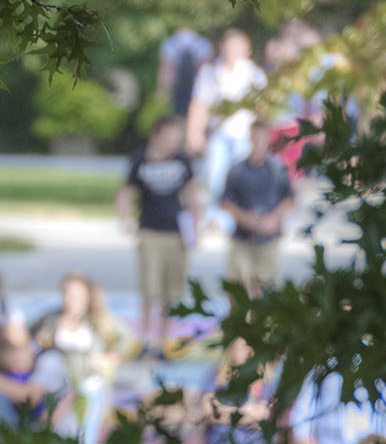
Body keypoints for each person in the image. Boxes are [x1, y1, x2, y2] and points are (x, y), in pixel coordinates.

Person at [38, 272, 132, 444]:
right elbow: (30, 336)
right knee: (61, 436)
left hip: (90, 388)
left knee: (87, 438)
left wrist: (111, 358)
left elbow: (126, 338)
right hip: (61, 390)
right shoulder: (53, 318)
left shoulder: (98, 319)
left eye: (76, 294)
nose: (71, 299)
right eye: (67, 293)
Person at [116, 117, 200, 353]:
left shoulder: (183, 161)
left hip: (177, 233)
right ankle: (145, 338)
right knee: (149, 287)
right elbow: (126, 191)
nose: (174, 142)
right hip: (149, 230)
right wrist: (123, 218)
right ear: (157, 135)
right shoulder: (140, 160)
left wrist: (197, 227)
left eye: (177, 138)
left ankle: (162, 339)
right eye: (170, 136)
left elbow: (193, 195)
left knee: (171, 290)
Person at [187, 28, 266, 233]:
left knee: (240, 178)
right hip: (220, 133)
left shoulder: (254, 75)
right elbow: (200, 104)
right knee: (216, 176)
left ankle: (240, 216)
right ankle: (215, 216)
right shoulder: (211, 72)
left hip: (244, 134)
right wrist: (194, 133)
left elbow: (263, 110)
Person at [220, 130, 294, 293]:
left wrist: (273, 219)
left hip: (268, 235)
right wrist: (244, 218)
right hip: (242, 235)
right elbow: (225, 201)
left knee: (264, 284)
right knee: (237, 284)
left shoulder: (277, 167)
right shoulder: (237, 169)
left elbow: (288, 198)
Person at [157, 27, 214, 118]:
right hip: (186, 87)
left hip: (192, 87)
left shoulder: (170, 43)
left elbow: (166, 68)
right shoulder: (203, 44)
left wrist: (163, 89)